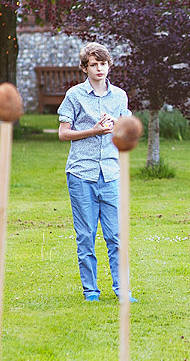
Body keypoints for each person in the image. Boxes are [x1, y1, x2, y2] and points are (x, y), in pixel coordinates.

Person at [57, 42, 134, 302]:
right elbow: (63, 133)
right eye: (93, 64)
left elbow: (125, 127)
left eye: (103, 64)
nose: (99, 68)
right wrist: (94, 130)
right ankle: (91, 291)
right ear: (84, 68)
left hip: (111, 173)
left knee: (116, 236)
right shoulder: (74, 95)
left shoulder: (120, 96)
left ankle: (123, 291)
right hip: (81, 174)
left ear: (109, 65)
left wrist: (118, 126)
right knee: (86, 236)